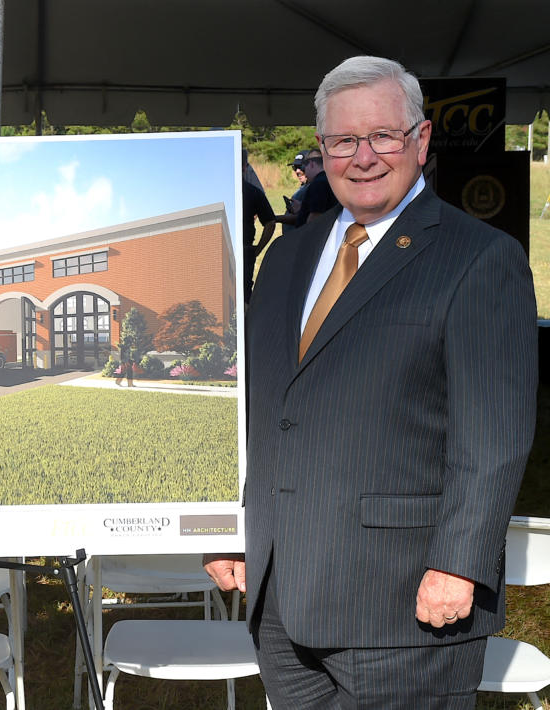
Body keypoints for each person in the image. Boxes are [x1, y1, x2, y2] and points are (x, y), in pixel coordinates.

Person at [204, 55, 536, 709]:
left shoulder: (480, 259)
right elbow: (256, 403)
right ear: (321, 148)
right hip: (281, 596)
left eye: (383, 135)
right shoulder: (289, 253)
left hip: (403, 604)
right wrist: (225, 527)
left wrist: (460, 564)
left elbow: (494, 435)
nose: (364, 156)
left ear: (420, 139)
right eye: (343, 140)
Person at [241, 150, 277, 302]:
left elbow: (270, 223)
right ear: (245, 167)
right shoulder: (252, 191)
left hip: (239, 250)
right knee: (244, 296)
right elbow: (270, 223)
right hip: (245, 250)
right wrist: (257, 249)